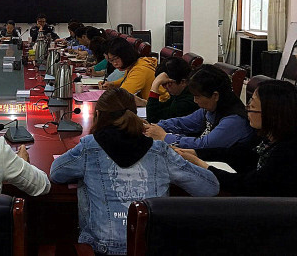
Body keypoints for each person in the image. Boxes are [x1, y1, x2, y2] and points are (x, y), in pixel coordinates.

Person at [50, 88, 219, 255]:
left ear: (99, 115)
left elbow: (56, 172)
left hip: (102, 248)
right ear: (135, 114)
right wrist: (194, 161)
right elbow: (209, 187)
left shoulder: (89, 147)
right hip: (152, 246)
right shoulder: (160, 151)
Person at [176, 80, 297, 196]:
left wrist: (202, 165)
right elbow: (239, 154)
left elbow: (248, 185)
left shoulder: (287, 151)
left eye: (252, 106)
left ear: (271, 113)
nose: (247, 109)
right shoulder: (267, 138)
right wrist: (196, 153)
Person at [144, 64, 254, 149]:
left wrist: (164, 137)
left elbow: (203, 145)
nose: (195, 101)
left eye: (197, 96)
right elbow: (183, 123)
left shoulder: (234, 120)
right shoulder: (210, 108)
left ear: (215, 95)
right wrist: (153, 127)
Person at [141, 57, 199, 122]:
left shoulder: (188, 102)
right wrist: (142, 102)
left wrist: (155, 85)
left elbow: (153, 119)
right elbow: (163, 107)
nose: (165, 88)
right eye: (163, 84)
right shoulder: (179, 93)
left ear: (183, 82)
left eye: (168, 83)